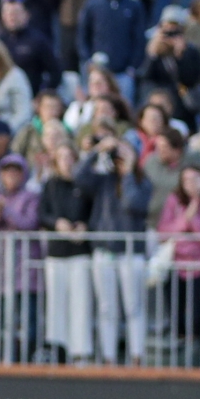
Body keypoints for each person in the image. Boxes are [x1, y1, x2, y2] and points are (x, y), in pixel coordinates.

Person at [76, 137, 152, 365]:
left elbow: (132, 203)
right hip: (105, 250)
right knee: (106, 308)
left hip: (131, 252)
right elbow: (78, 176)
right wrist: (97, 151)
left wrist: (128, 173)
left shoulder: (143, 182)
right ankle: (108, 357)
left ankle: (137, 357)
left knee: (134, 307)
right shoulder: (103, 181)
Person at [157, 165, 200, 363]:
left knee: (199, 316)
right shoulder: (175, 201)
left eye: (195, 179)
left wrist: (195, 218)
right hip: (176, 267)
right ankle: (184, 355)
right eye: (186, 180)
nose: (191, 184)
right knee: (177, 316)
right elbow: (163, 232)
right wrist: (185, 218)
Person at [0, 153, 41, 362]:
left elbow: (29, 224)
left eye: (16, 172)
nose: (11, 176)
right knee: (3, 323)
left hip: (26, 273)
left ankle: (27, 362)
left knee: (29, 323)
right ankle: (6, 361)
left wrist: (6, 212)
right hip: (1, 272)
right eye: (7, 172)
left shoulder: (30, 197)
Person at [38, 143, 93, 362]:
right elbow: (42, 214)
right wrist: (56, 223)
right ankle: (57, 349)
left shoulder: (84, 185)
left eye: (70, 157)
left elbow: (93, 212)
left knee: (81, 303)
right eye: (62, 158)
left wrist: (84, 226)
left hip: (79, 251)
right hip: (56, 252)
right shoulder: (51, 185)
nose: (67, 162)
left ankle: (80, 351)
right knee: (56, 303)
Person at [76, 0, 146, 105]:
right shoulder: (93, 4)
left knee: (124, 109)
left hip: (123, 73)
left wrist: (132, 67)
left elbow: (139, 39)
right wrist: (87, 60)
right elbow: (82, 35)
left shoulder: (134, 6)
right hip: (97, 72)